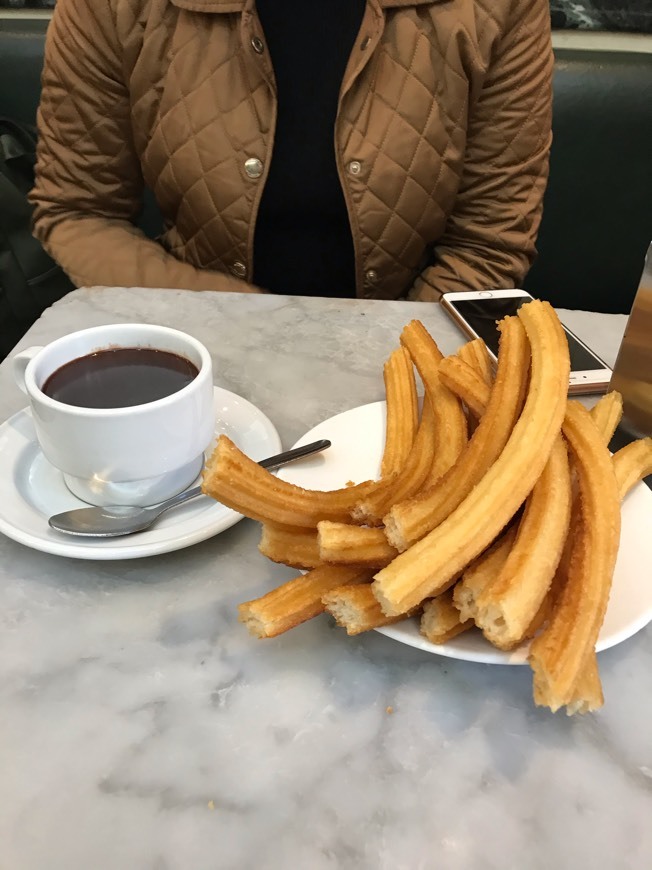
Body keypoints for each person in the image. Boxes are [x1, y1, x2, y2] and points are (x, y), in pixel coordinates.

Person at [30, 0, 553, 302]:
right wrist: (243, 327)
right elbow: (79, 212)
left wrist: (390, 362)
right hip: (190, 339)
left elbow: (488, 245)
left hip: (408, 351)